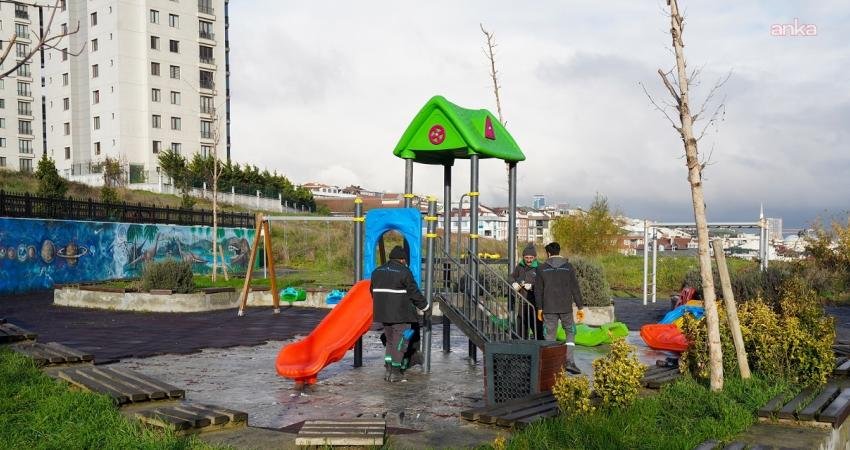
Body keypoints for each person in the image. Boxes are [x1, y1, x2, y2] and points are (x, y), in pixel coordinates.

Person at [370, 245, 427, 382]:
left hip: (383, 314)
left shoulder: (377, 271)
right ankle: (396, 372)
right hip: (400, 315)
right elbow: (414, 292)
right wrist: (425, 307)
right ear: (402, 259)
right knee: (401, 342)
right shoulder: (404, 271)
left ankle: (388, 370)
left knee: (390, 340)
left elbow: (372, 291)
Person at [534, 242, 584, 374]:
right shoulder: (568, 267)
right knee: (570, 332)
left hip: (548, 308)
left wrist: (539, 308)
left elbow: (538, 291)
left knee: (549, 336)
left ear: (548, 253)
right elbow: (575, 288)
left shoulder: (541, 268)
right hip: (565, 308)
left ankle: (551, 365)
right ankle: (569, 362)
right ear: (559, 251)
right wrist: (580, 307)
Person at [510, 243, 541, 339]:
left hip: (535, 304)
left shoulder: (540, 267)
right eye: (526, 258)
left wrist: (532, 287)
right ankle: (521, 344)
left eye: (531, 258)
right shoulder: (520, 267)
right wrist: (513, 283)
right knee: (521, 329)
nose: (529, 260)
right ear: (523, 257)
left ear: (535, 257)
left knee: (538, 329)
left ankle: (539, 344)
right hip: (522, 303)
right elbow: (511, 277)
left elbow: (544, 284)